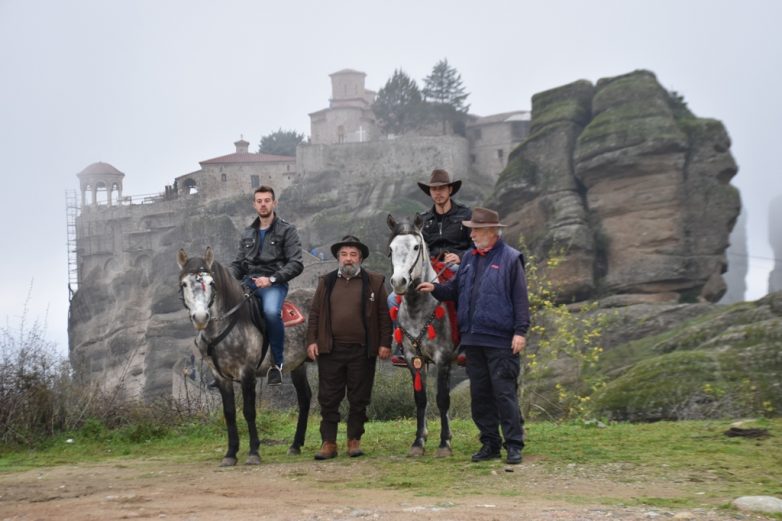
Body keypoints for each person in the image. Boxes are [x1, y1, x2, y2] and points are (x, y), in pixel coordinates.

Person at [417, 207, 529, 465]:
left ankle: (514, 444)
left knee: (504, 393)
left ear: (492, 231)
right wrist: (434, 288)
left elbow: (520, 299)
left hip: (501, 339)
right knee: (480, 395)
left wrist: (520, 332)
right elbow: (454, 290)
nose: (472, 234)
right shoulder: (468, 258)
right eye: (472, 230)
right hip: (473, 340)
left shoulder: (511, 258)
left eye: (476, 230)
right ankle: (490, 443)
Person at [306, 235, 392, 459]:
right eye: (344, 254)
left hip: (362, 350)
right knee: (328, 398)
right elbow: (315, 313)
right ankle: (328, 443)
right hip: (330, 349)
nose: (348, 259)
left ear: (360, 258)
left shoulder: (374, 282)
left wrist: (385, 343)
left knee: (359, 397)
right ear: (337, 257)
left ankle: (354, 440)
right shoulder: (326, 282)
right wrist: (312, 341)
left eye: (353, 255)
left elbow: (384, 315)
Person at [390, 168, 472, 366]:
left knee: (466, 293)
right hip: (430, 268)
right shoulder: (423, 219)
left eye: (442, 188)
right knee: (392, 298)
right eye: (434, 189)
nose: (438, 193)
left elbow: (474, 244)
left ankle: (467, 346)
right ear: (430, 193)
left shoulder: (465, 214)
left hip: (456, 267)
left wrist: (460, 256)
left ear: (450, 190)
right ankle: (403, 346)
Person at [230, 185, 303, 386]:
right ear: (254, 204)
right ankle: (227, 364)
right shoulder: (247, 233)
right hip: (248, 282)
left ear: (274, 203)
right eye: (259, 201)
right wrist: (227, 278)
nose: (263, 204)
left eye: (267, 200)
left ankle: (276, 364)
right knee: (226, 308)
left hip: (274, 284)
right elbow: (238, 264)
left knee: (271, 312)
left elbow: (296, 263)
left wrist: (271, 279)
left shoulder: (287, 230)